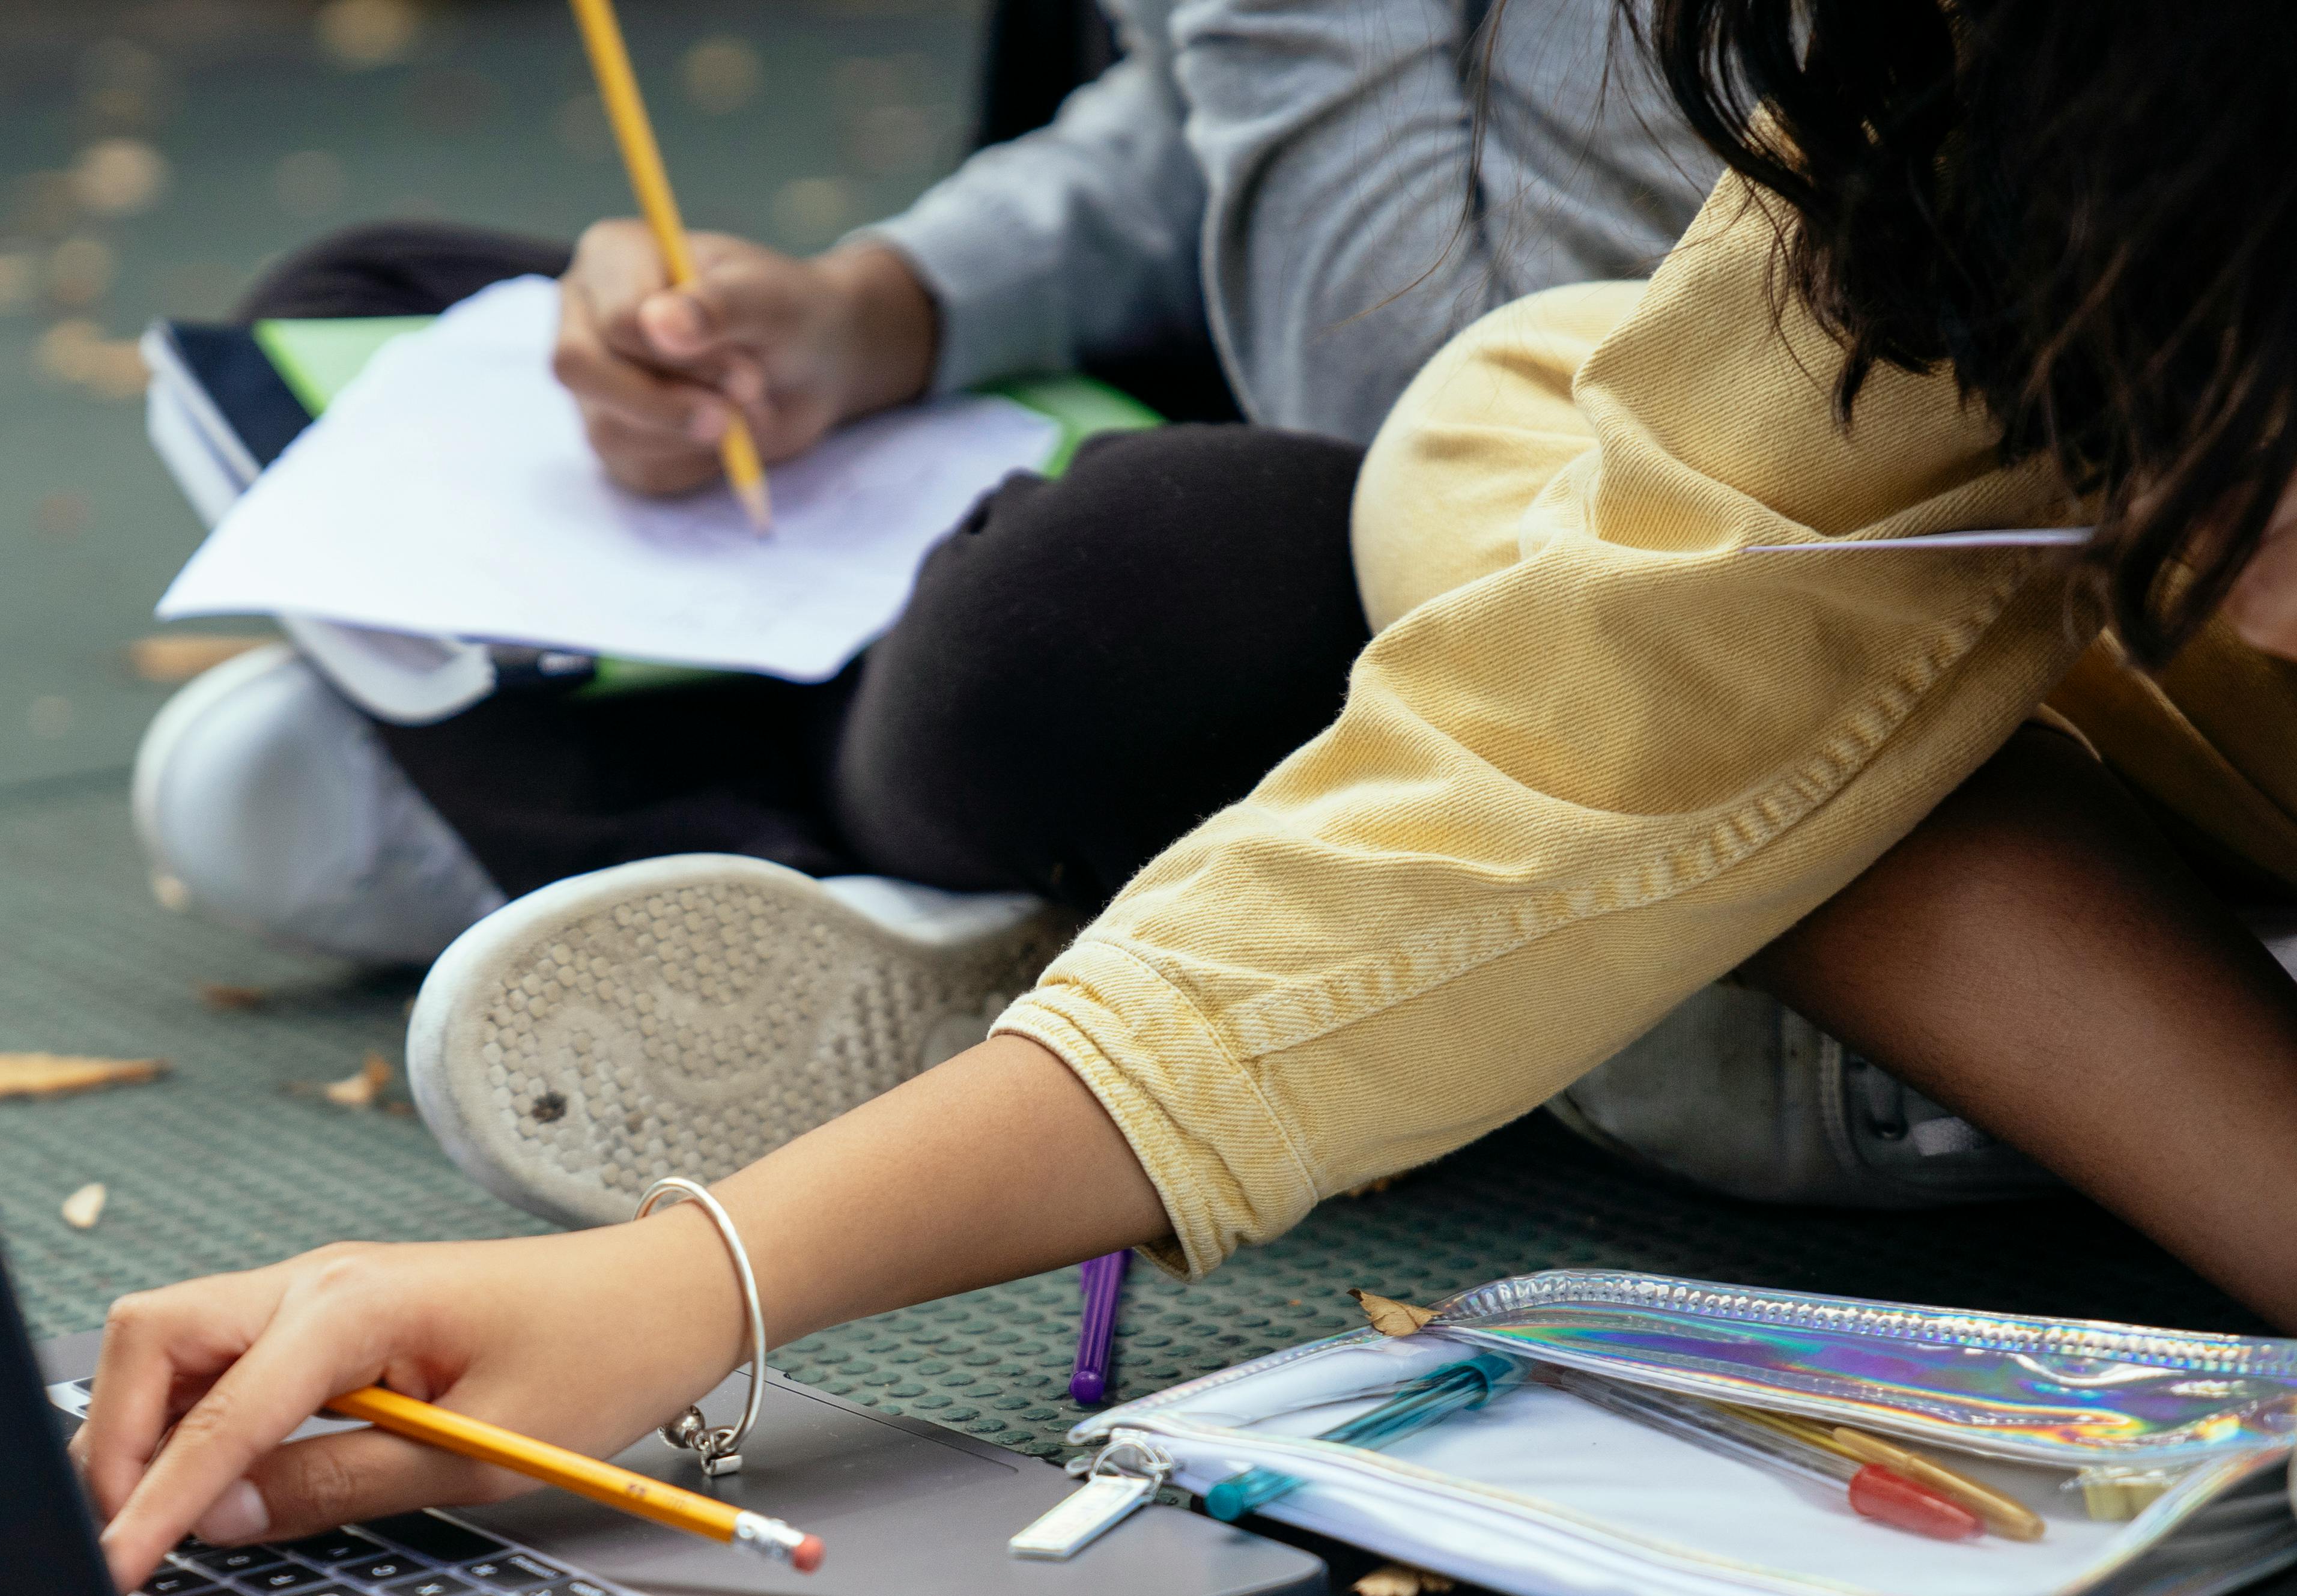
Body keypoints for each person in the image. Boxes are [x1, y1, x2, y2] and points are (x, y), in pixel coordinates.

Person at [71, 0, 2297, 1589]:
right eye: (2128, 423)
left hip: (1416, 627)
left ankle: (906, 877)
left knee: (1216, 572)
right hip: (1777, 687)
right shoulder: (1967, 124)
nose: (2239, 558)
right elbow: (1563, 741)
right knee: (1499, 464)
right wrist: (680, 1286)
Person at [132, 0, 1716, 971]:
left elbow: (1456, 425)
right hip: (1165, 429)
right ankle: (859, 892)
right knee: (368, 304)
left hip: (1514, 580)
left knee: (1126, 572)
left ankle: (652, 843)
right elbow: (1187, 140)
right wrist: (871, 314)